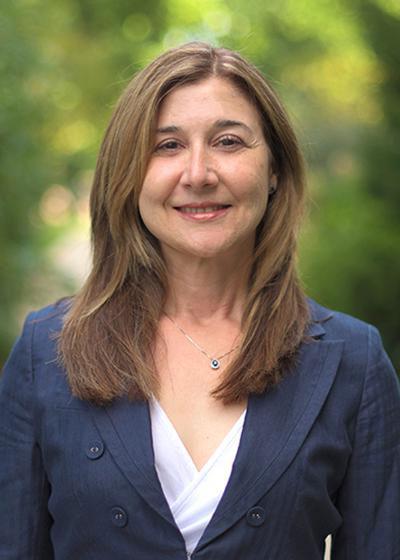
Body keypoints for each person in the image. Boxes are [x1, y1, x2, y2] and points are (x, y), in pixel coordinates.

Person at [0, 42, 399, 560]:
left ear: (274, 169)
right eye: (166, 146)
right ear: (129, 174)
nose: (198, 173)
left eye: (228, 142)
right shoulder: (45, 352)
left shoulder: (353, 361)